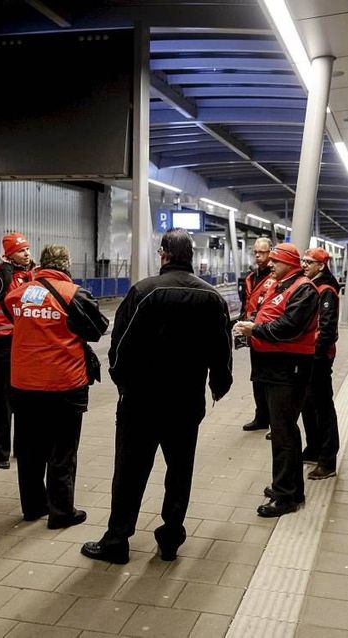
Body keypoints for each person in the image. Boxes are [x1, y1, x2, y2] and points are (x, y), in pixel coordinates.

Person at [82, 229, 232, 564]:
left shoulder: (144, 291)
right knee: (179, 472)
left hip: (141, 402)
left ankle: (117, 541)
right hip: (186, 401)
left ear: (163, 253)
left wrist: (123, 385)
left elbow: (120, 346)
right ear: (190, 255)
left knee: (130, 472)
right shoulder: (211, 296)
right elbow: (220, 348)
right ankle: (170, 540)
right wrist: (219, 385)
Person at [4, 245, 109, 529]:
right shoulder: (73, 294)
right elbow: (99, 328)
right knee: (62, 450)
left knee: (28, 449)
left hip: (23, 384)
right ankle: (61, 512)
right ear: (67, 265)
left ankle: (33, 507)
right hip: (64, 384)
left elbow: (11, 311)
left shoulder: (18, 294)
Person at [233, 243, 319, 518]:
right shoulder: (279, 284)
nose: (270, 265)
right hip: (274, 367)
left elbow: (290, 327)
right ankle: (290, 487)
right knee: (285, 431)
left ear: (290, 263)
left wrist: (255, 328)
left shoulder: (304, 289)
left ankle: (285, 497)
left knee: (283, 433)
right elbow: (265, 313)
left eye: (275, 261)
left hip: (289, 368)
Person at [0, 232, 34, 470]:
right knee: (3, 400)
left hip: (24, 343)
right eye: (22, 250)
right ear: (10, 253)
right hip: (2, 343)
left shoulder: (32, 274)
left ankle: (21, 447)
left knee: (24, 398)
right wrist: (10, 273)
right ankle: (0, 452)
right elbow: (2, 297)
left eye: (28, 249)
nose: (27, 253)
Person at [300, 248, 340, 480]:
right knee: (308, 404)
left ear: (321, 266)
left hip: (319, 359)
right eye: (303, 261)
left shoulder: (326, 290)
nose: (304, 265)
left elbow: (325, 330)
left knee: (323, 408)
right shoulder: (313, 285)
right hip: (309, 356)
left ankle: (327, 461)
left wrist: (315, 356)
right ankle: (314, 449)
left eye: (309, 262)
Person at [236, 237, 275, 432]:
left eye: (263, 252)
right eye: (256, 252)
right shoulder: (251, 277)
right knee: (257, 377)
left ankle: (275, 424)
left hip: (269, 334)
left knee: (270, 380)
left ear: (271, 252)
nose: (258, 256)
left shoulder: (276, 278)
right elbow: (247, 302)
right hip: (254, 334)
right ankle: (261, 418)